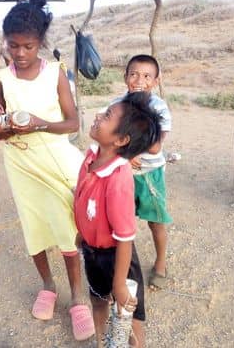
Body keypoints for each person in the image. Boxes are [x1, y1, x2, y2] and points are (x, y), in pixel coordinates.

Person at [0, 0, 95, 341]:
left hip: (54, 157)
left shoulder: (55, 74)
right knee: (33, 226)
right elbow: (0, 129)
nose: (20, 53)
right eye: (14, 46)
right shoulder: (0, 78)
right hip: (20, 162)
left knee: (66, 227)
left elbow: (72, 124)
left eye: (29, 46)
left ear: (41, 44)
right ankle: (48, 286)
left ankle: (78, 296)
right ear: (5, 42)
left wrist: (38, 124)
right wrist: (2, 129)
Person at [74, 92, 162, 347]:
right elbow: (81, 198)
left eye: (107, 116)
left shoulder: (118, 178)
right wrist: (83, 232)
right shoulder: (91, 157)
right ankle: (102, 343)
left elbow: (125, 238)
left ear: (122, 139)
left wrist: (121, 283)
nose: (98, 116)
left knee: (128, 315)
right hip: (92, 252)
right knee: (98, 301)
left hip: (117, 258)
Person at [111, 54, 173, 290]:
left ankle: (160, 262)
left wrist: (128, 151)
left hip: (150, 174)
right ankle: (124, 267)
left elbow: (156, 145)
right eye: (134, 74)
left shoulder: (158, 107)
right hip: (122, 174)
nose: (139, 80)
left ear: (155, 81)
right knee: (121, 222)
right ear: (125, 77)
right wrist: (125, 156)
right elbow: (109, 137)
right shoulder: (117, 105)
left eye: (147, 76)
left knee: (155, 221)